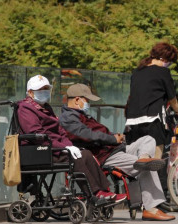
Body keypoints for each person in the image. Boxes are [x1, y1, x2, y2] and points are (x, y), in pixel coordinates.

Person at [59, 83, 176, 221]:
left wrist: (117, 137)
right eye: (87, 100)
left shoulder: (82, 115)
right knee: (146, 167)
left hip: (114, 149)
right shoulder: (69, 118)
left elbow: (98, 133)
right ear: (77, 100)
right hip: (105, 155)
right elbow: (87, 135)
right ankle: (150, 209)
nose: (88, 103)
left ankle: (143, 158)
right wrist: (112, 139)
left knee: (148, 139)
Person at [17, 75, 124, 207]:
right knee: (77, 158)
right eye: (41, 89)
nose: (44, 92)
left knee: (85, 153)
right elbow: (36, 134)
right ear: (30, 92)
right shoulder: (25, 108)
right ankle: (94, 194)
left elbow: (60, 131)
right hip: (42, 150)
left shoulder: (46, 108)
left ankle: (104, 191)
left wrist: (69, 146)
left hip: (55, 148)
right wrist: (63, 147)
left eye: (46, 89)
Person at [124, 42, 178, 159]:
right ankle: (154, 177)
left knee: (138, 159)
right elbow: (172, 97)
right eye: (169, 62)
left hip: (133, 121)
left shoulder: (137, 72)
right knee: (154, 161)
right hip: (153, 120)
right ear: (164, 59)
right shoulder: (163, 72)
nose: (169, 65)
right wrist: (177, 111)